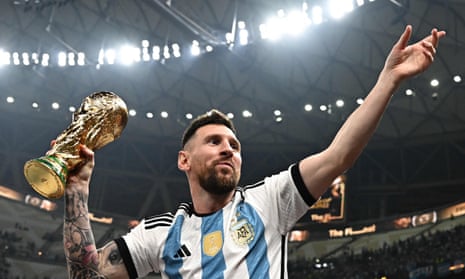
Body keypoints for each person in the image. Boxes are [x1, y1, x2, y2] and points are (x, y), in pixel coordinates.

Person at [62, 25, 446, 278]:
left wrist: (389, 80)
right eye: (214, 142)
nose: (228, 150)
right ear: (184, 160)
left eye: (234, 145)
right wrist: (77, 192)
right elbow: (87, 276)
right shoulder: (159, 234)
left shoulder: (269, 201)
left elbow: (338, 155)